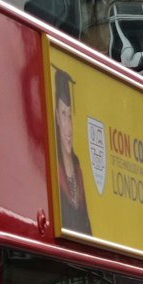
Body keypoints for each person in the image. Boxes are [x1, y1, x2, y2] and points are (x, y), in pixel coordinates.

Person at [52, 68, 92, 235]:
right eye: (63, 114)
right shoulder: (54, 172)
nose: (68, 127)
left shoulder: (78, 172)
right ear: (56, 117)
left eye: (70, 115)